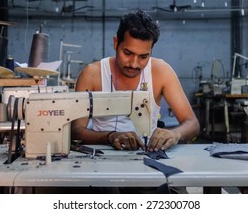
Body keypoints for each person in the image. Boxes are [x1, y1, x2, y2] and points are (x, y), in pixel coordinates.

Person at [71, 9, 200, 152]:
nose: (134, 64)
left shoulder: (162, 72)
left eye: (143, 56)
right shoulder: (92, 74)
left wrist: (175, 134)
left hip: (147, 153)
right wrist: (111, 136)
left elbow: (192, 123)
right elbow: (76, 131)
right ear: (116, 43)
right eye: (127, 53)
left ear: (151, 50)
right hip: (102, 154)